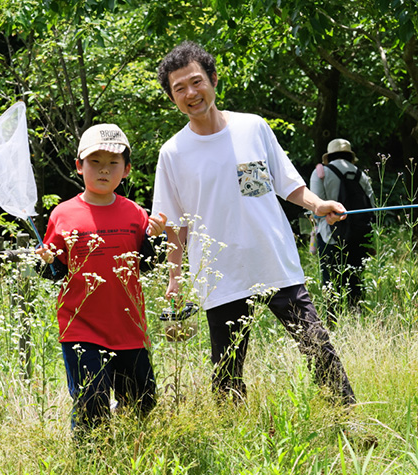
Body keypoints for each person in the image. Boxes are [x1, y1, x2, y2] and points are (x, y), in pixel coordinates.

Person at [152, 41, 356, 405]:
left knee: (317, 345)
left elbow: (287, 183)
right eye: (179, 88)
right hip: (219, 275)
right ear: (172, 98)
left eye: (196, 82)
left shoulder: (253, 128)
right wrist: (174, 278)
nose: (190, 93)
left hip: (273, 260)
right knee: (226, 370)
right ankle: (234, 436)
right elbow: (175, 224)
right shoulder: (173, 153)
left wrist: (318, 203)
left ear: (213, 80)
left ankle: (348, 417)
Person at [36, 124, 167, 434]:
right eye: (95, 162)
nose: (104, 170)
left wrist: (156, 239)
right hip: (81, 327)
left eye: (113, 163)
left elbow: (144, 265)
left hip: (129, 327)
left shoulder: (136, 213)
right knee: (90, 402)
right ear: (80, 166)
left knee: (143, 400)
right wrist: (46, 262)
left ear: (127, 170)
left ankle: (124, 442)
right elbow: (55, 271)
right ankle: (88, 457)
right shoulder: (63, 214)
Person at [310, 138, 375, 324]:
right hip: (358, 236)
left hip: (330, 236)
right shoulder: (361, 174)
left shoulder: (321, 172)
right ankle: (357, 322)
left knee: (330, 283)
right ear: (350, 155)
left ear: (328, 156)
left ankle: (333, 324)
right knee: (355, 281)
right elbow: (372, 206)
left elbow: (315, 209)